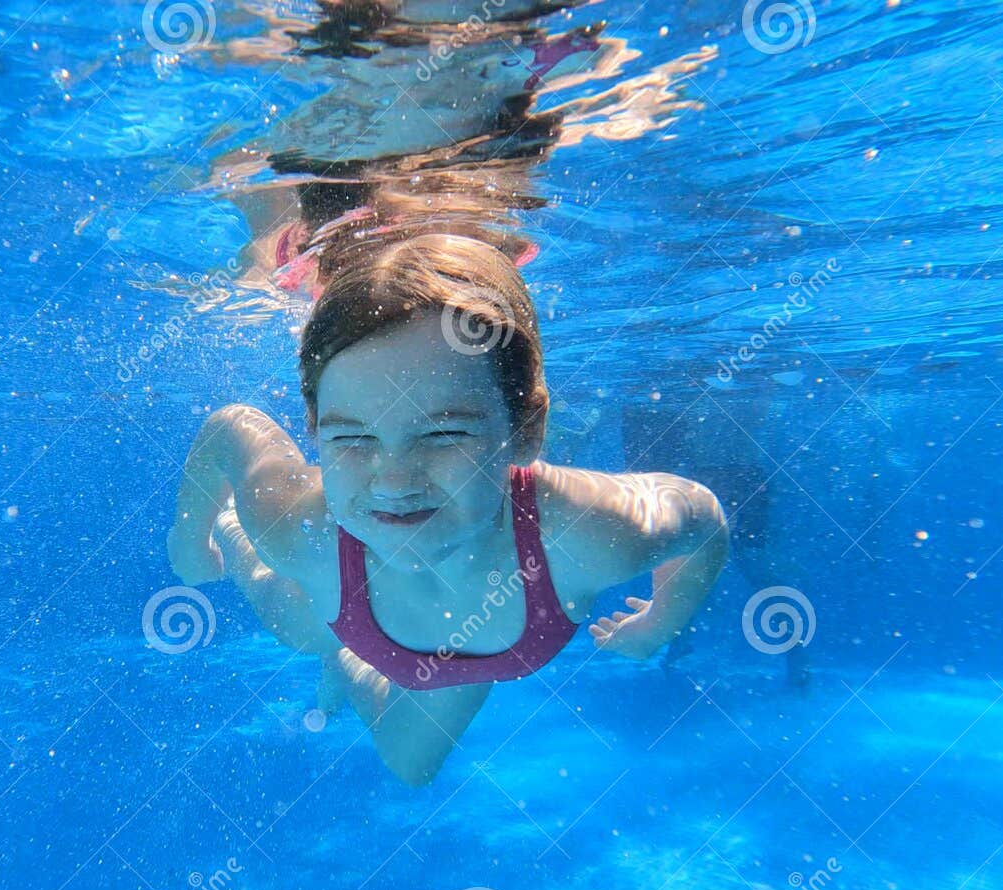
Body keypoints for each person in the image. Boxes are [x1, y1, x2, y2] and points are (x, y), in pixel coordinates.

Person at [168, 233, 728, 785]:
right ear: (315, 432)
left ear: (526, 431)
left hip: (459, 653)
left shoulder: (588, 535)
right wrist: (191, 537)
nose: (393, 481)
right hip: (330, 613)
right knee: (291, 615)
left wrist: (661, 623)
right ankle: (237, 537)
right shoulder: (296, 527)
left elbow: (704, 519)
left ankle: (348, 668)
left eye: (443, 434)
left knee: (412, 768)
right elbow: (230, 429)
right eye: (352, 439)